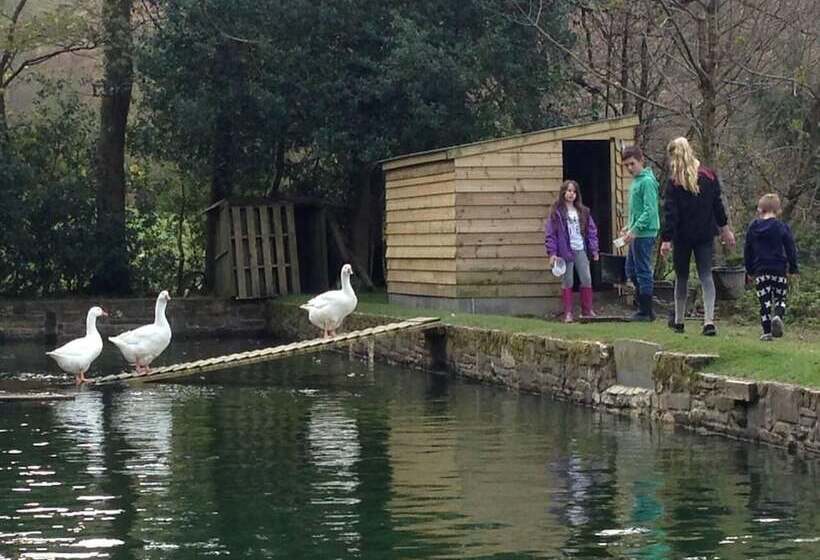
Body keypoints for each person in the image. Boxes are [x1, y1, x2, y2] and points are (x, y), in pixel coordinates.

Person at [660, 136, 735, 336]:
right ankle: (709, 321)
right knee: (706, 276)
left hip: (682, 236)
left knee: (682, 277)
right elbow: (717, 206)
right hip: (704, 234)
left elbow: (671, 213)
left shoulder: (674, 182)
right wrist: (725, 229)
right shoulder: (709, 176)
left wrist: (666, 239)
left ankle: (679, 321)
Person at [744, 193, 798, 341]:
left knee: (765, 301)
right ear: (778, 210)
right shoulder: (782, 227)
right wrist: (793, 268)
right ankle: (778, 316)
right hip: (779, 269)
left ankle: (767, 331)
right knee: (780, 297)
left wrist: (749, 270)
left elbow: (747, 250)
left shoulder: (753, 227)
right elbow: (790, 248)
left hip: (761, 270)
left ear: (760, 209)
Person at [545, 180, 600, 322]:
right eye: (569, 191)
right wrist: (552, 253)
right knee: (567, 280)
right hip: (565, 251)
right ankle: (568, 312)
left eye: (574, 191)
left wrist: (594, 249)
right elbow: (551, 234)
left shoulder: (583, 211)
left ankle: (587, 310)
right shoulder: (556, 212)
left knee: (586, 278)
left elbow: (592, 231)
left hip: (580, 249)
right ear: (563, 192)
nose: (571, 194)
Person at [621, 145, 660, 321]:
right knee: (631, 270)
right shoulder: (636, 181)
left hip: (645, 233)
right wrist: (629, 227)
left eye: (632, 164)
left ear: (641, 161)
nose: (630, 168)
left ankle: (646, 310)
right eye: (626, 165)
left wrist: (635, 229)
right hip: (635, 232)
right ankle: (644, 307)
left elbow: (650, 210)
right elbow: (636, 210)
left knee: (643, 270)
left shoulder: (647, 182)